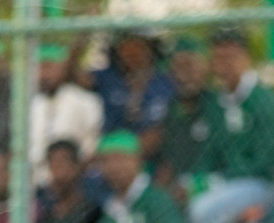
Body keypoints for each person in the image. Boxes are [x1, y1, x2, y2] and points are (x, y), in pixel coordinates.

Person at [189, 28, 274, 223]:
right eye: (218, 58)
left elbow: (267, 161)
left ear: (245, 59)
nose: (224, 65)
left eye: (230, 57)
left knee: (203, 211)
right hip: (230, 183)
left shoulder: (264, 100)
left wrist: (219, 180)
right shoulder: (217, 102)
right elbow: (210, 152)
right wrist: (198, 180)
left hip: (265, 183)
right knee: (186, 202)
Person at [156, 38, 220, 206]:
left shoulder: (219, 105)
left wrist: (195, 185)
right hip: (179, 184)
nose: (184, 74)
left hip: (217, 181)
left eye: (190, 65)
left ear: (204, 68)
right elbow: (168, 162)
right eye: (177, 67)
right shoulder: (171, 110)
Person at [29, 44, 104, 186]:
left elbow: (93, 145)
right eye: (38, 68)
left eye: (48, 67)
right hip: (36, 181)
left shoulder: (85, 100)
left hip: (77, 180)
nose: (43, 74)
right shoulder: (33, 105)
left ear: (63, 69)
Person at [93, 31, 175, 154]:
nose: (132, 53)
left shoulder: (166, 82)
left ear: (150, 49)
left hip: (153, 156)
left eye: (138, 46)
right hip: (111, 152)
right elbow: (73, 76)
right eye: (126, 48)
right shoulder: (108, 78)